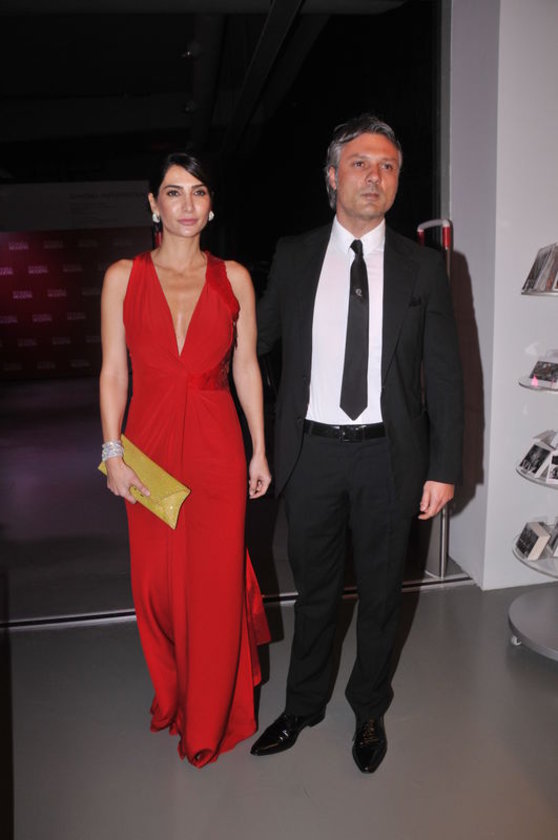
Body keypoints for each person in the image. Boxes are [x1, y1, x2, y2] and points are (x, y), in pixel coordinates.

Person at [252, 114, 463, 773]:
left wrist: (444, 466)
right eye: (361, 163)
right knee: (314, 592)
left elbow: (446, 373)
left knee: (380, 593)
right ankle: (303, 705)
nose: (375, 176)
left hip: (388, 458)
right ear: (332, 176)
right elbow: (254, 344)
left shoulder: (424, 268)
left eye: (388, 166)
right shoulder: (294, 255)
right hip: (311, 454)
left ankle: (369, 708)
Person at [99, 152, 271, 768]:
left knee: (215, 585)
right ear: (154, 203)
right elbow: (114, 372)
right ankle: (173, 692)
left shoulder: (234, 278)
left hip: (217, 446)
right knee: (157, 588)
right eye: (174, 193)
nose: (188, 205)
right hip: (145, 449)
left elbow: (246, 367)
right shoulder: (123, 276)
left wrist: (259, 449)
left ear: (212, 203)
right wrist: (112, 452)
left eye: (199, 192)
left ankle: (210, 717)